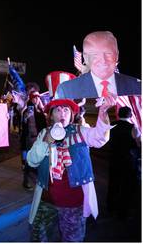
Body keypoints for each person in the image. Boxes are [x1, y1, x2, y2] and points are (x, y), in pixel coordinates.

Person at [26, 95, 115, 242]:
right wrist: (46, 142)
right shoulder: (44, 133)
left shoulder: (81, 131)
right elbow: (32, 161)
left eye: (66, 110)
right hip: (46, 200)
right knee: (38, 236)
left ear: (72, 114)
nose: (62, 113)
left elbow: (100, 138)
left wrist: (103, 112)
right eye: (58, 110)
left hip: (73, 204)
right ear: (52, 115)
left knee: (72, 239)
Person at [55, 31, 141, 99]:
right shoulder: (66, 90)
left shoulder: (138, 87)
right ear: (85, 57)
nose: (103, 60)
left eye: (108, 53)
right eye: (95, 54)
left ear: (117, 55)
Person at [106, 106, 141, 219]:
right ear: (130, 116)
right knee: (126, 186)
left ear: (118, 115)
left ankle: (110, 207)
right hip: (128, 161)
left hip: (114, 159)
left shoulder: (112, 125)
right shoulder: (133, 127)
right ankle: (122, 212)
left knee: (113, 183)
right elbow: (139, 143)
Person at [20, 91, 47, 190]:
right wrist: (25, 118)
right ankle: (26, 180)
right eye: (34, 97)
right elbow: (23, 124)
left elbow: (45, 124)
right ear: (30, 99)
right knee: (30, 160)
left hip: (40, 139)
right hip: (30, 139)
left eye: (37, 97)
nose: (36, 99)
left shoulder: (41, 110)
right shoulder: (27, 110)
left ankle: (38, 180)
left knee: (40, 160)